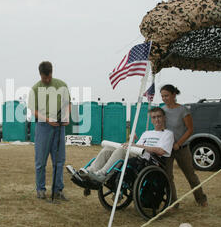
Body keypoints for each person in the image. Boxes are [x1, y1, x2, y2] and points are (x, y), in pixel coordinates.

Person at [68, 107, 174, 183]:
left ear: (164, 117)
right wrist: (130, 143)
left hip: (149, 160)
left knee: (121, 151)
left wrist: (138, 146)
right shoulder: (146, 133)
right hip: (137, 154)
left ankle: (102, 174)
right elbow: (136, 146)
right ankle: (89, 171)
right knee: (108, 148)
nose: (157, 120)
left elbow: (161, 151)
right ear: (151, 119)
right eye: (154, 117)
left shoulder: (168, 134)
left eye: (159, 117)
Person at [28, 61, 71, 201]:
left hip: (59, 127)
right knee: (40, 161)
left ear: (52, 73)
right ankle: (40, 189)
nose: (47, 80)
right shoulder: (35, 89)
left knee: (59, 161)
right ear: (40, 74)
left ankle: (58, 190)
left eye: (49, 77)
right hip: (43, 127)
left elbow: (67, 104)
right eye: (44, 77)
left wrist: (66, 116)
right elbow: (33, 110)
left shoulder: (61, 85)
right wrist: (47, 119)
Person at [160, 84, 208, 207]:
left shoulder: (183, 110)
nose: (164, 98)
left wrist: (179, 143)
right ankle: (173, 202)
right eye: (162, 96)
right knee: (168, 176)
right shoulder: (162, 111)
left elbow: (190, 129)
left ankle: (201, 199)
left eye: (166, 95)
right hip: (167, 149)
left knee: (190, 175)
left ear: (173, 95)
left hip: (182, 149)